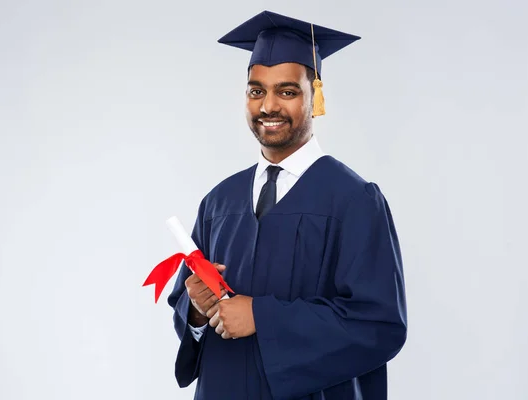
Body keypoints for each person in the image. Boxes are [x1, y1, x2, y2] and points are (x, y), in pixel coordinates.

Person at [166, 10, 407, 400]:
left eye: (287, 91)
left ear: (315, 96)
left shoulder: (354, 200)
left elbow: (378, 325)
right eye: (256, 90)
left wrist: (262, 316)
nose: (268, 106)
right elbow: (187, 310)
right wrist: (196, 310)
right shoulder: (219, 202)